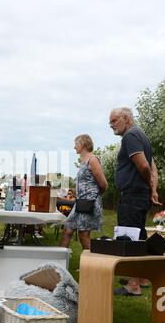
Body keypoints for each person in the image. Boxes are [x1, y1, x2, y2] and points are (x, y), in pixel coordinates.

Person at [109, 107, 160, 296]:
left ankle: (133, 285)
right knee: (139, 236)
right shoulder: (142, 136)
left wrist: (147, 185)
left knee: (129, 238)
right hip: (140, 195)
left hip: (131, 195)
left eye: (114, 120)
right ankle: (142, 277)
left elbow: (145, 166)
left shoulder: (130, 136)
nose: (111, 125)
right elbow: (154, 168)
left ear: (126, 118)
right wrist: (152, 190)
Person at [61, 134, 108, 249]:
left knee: (83, 234)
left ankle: (92, 265)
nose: (74, 147)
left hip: (89, 203)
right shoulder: (83, 162)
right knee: (67, 229)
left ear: (83, 144)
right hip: (80, 202)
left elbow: (104, 184)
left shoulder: (93, 160)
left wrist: (93, 196)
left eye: (76, 144)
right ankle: (59, 261)